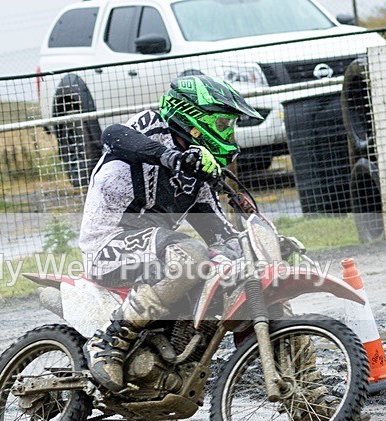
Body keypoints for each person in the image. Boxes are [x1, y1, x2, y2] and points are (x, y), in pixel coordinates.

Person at [79, 74, 262, 392]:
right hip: (106, 245)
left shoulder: (199, 175)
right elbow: (114, 135)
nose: (229, 134)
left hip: (153, 252)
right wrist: (171, 158)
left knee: (246, 269)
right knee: (192, 254)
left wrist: (261, 246)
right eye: (222, 125)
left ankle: (308, 396)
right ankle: (109, 342)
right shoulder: (152, 126)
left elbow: (219, 232)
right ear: (193, 119)